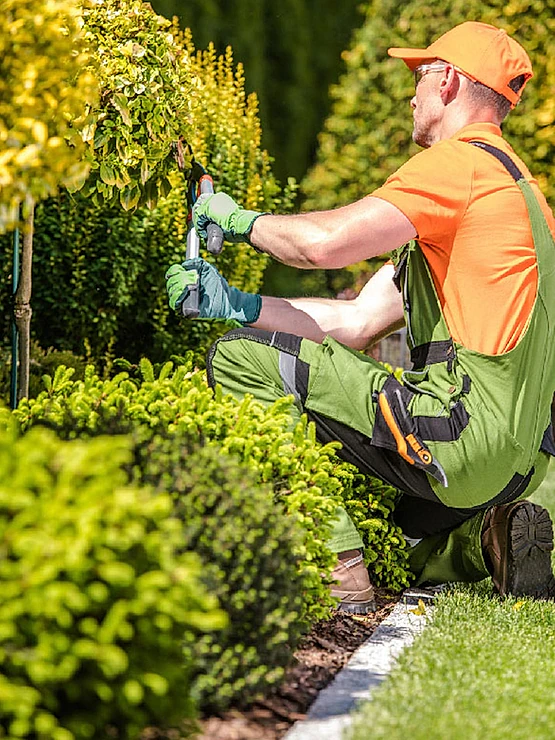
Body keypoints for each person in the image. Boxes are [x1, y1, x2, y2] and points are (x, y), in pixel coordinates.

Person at [166, 21, 555, 614]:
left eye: (419, 77)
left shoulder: (460, 166)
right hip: (518, 462)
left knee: (240, 357)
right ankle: (486, 541)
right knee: (387, 530)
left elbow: (323, 245)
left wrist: (239, 220)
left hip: (460, 435)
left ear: (449, 82)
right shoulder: (520, 195)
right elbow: (356, 322)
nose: (411, 94)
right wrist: (239, 305)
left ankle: (334, 569)